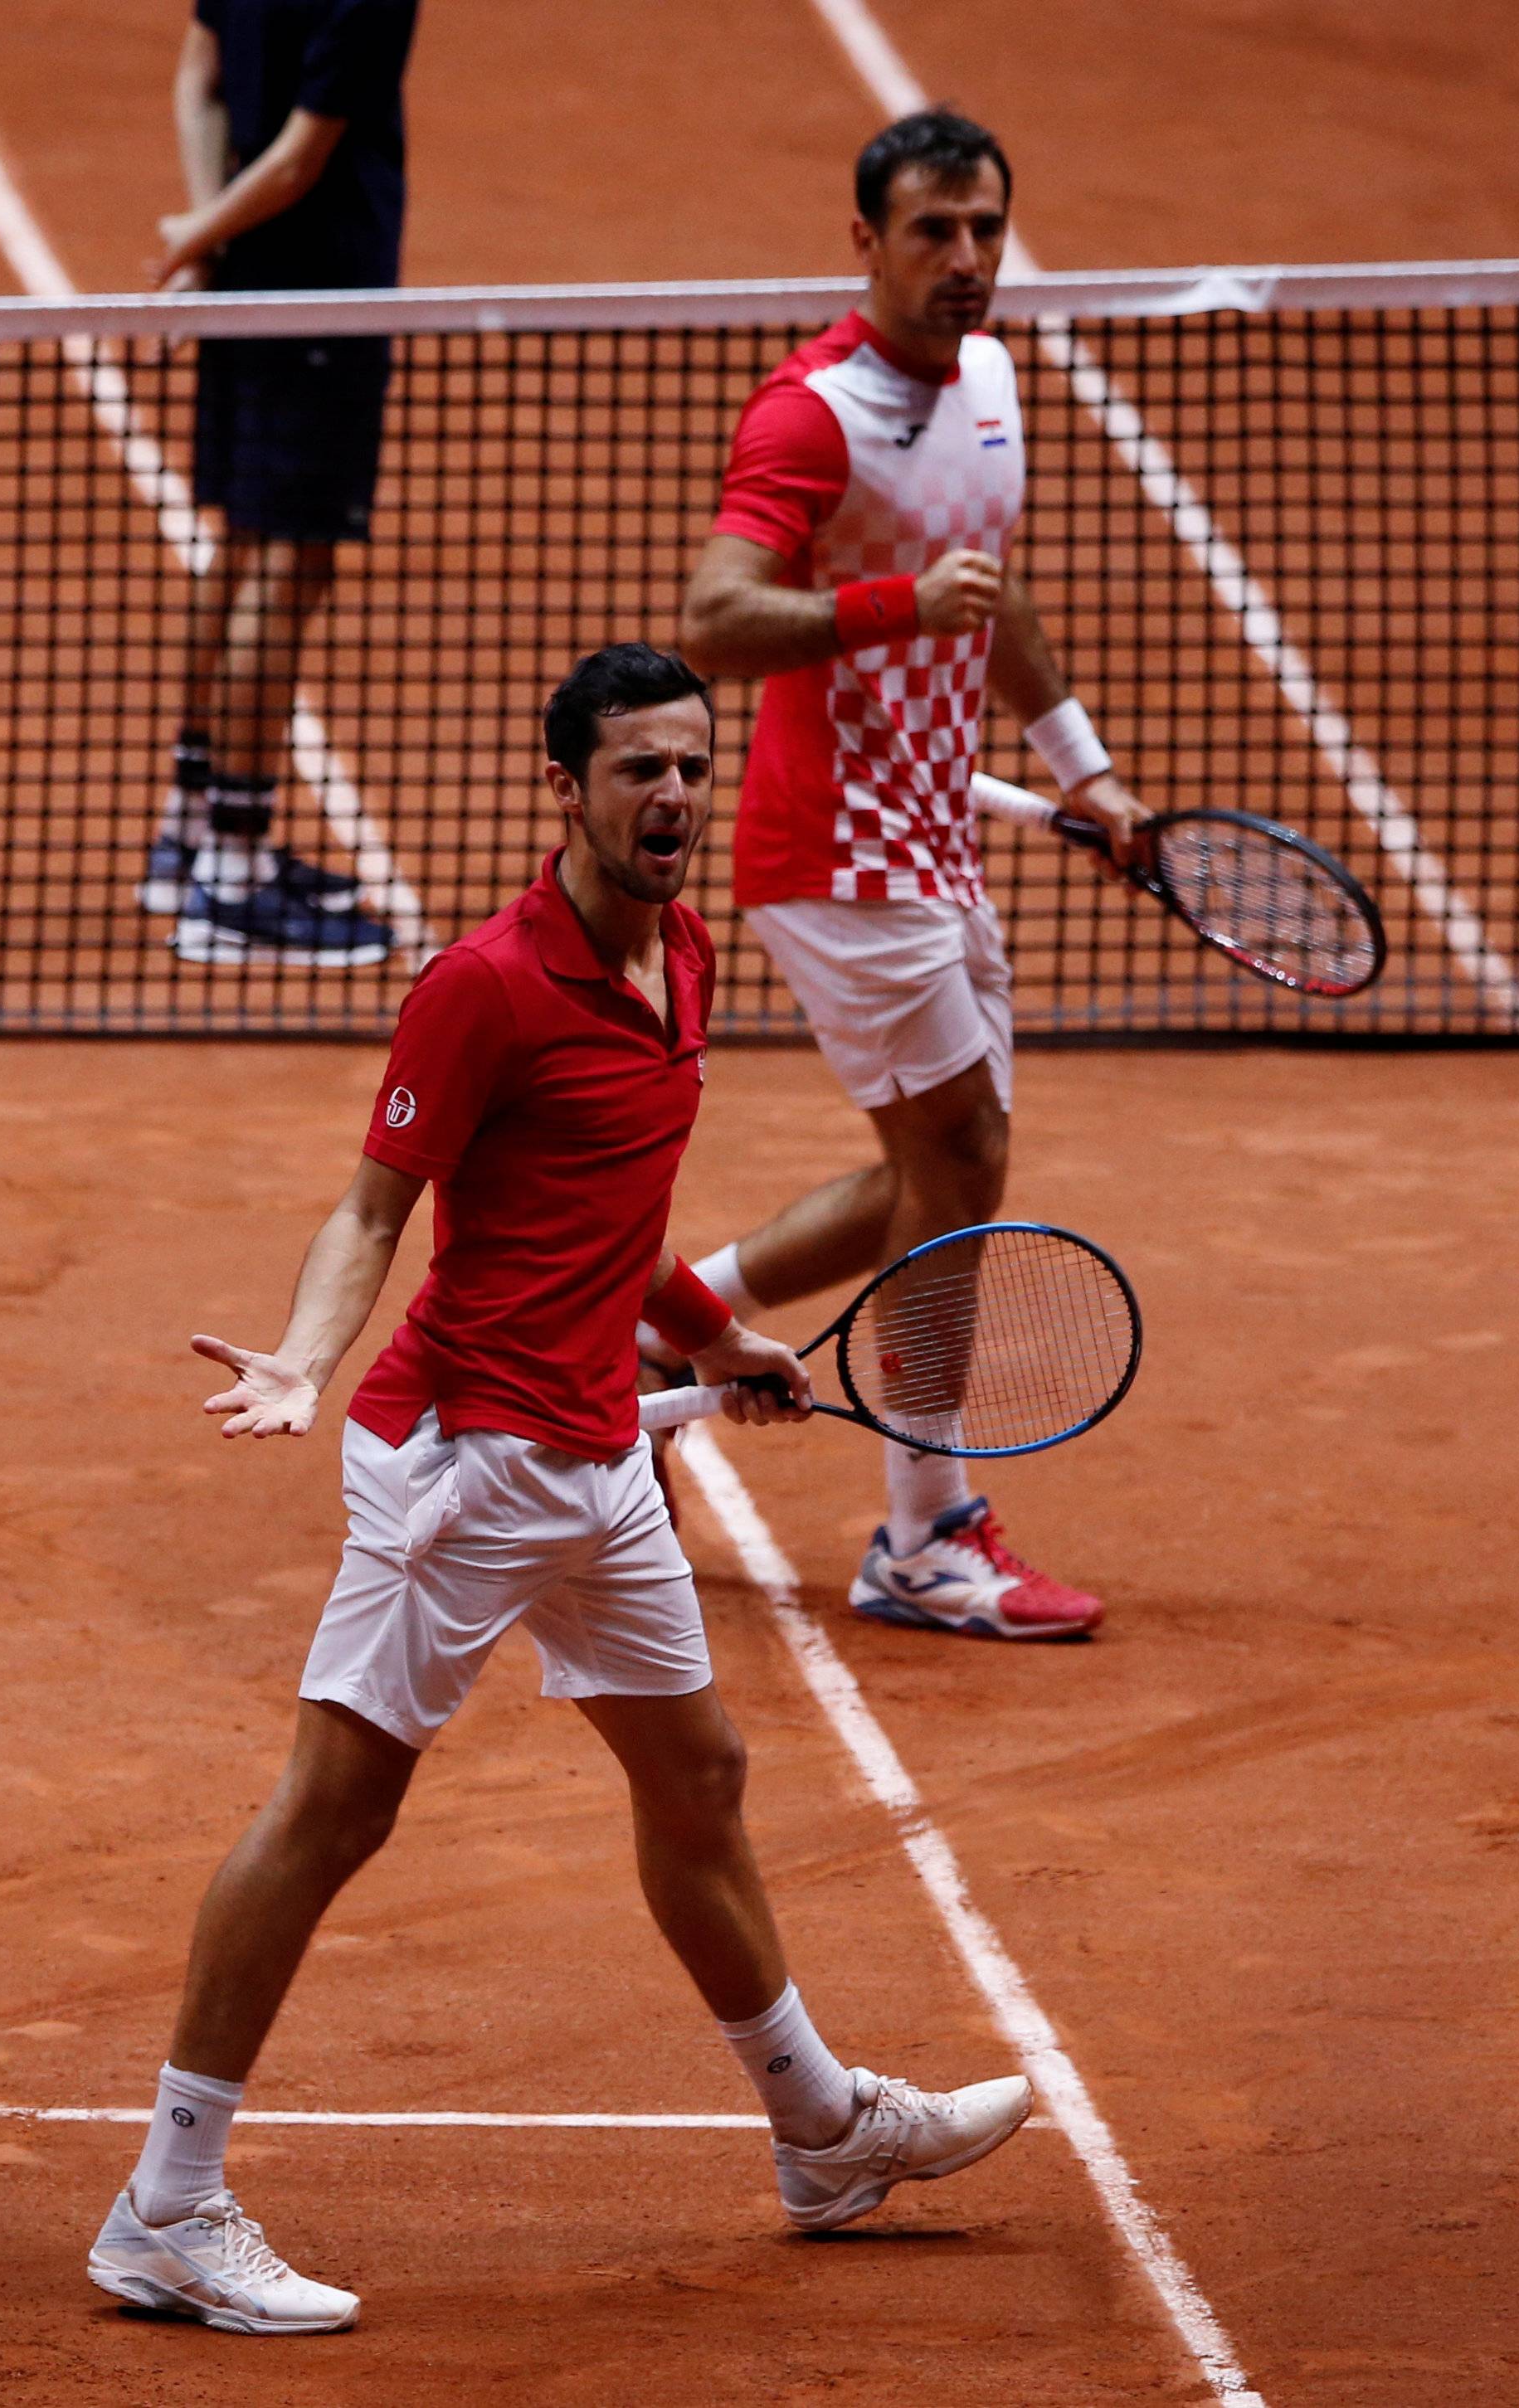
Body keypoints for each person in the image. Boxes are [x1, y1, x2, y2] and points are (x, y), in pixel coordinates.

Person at [86, 645, 1033, 2334]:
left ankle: (817, 2129)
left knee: (701, 1772)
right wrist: (307, 1356)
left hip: (597, 1452)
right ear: (567, 791)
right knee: (332, 1810)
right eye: (637, 771)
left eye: (690, 765)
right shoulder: (485, 984)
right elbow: (378, 1208)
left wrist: (720, 1337)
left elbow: (615, 1209)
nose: (672, 795)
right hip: (463, 1467)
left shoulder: (683, 951)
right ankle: (166, 2198)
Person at [670, 109, 1149, 1642]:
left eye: (987, 228)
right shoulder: (813, 416)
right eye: (934, 230)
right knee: (964, 1152)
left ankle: (654, 1324)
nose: (966, 260)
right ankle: (926, 1530)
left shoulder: (994, 383)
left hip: (938, 832)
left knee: (938, 1173)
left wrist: (1082, 768)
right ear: (864, 240)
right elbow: (714, 619)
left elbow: (987, 592)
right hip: (833, 850)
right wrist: (888, 602)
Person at [139, 0, 421, 969]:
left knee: (244, 543)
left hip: (247, 276)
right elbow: (303, 160)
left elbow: (198, 75)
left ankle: (190, 832)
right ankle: (237, 873)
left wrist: (213, 239)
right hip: (323, 287)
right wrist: (194, 237)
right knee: (288, 563)